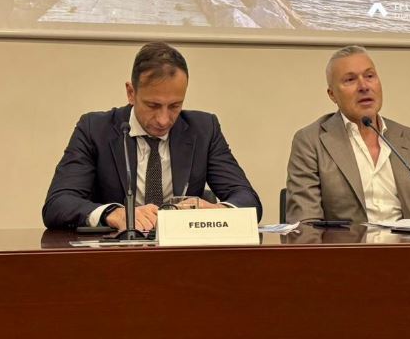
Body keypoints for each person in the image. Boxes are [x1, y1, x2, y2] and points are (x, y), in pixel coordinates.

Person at [42, 42, 262, 231]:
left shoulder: (204, 129)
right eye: (153, 105)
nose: (164, 120)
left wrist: (218, 210)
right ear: (131, 93)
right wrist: (114, 213)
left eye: (174, 106)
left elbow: (247, 199)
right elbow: (58, 204)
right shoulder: (95, 129)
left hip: (182, 255)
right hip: (115, 256)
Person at [285, 45, 410, 224]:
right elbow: (306, 224)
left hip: (409, 242)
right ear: (332, 95)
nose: (364, 86)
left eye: (369, 76)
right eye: (350, 80)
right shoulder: (310, 142)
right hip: (347, 242)